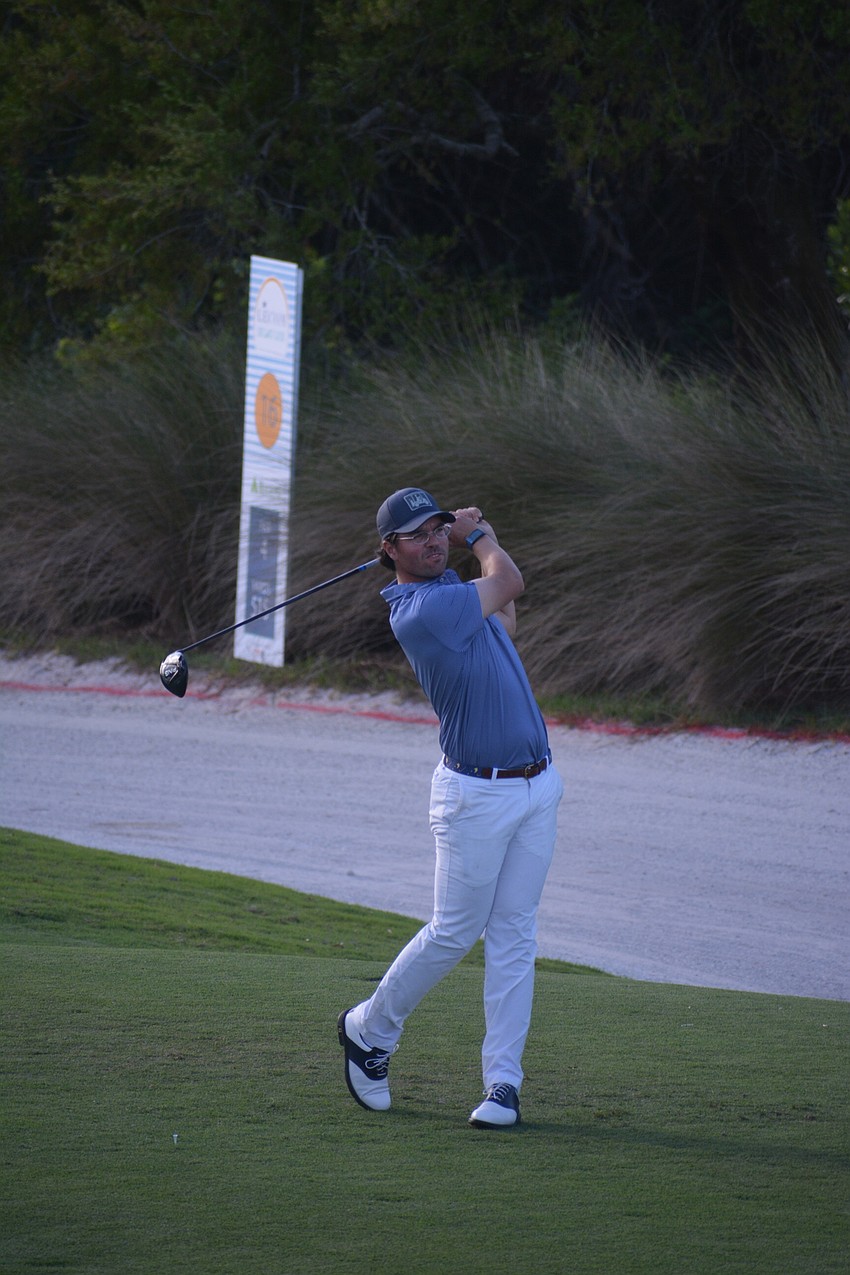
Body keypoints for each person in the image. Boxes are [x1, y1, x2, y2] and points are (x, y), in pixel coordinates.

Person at [337, 487, 563, 1129]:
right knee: (455, 931)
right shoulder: (420, 611)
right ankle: (369, 1028)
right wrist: (478, 533)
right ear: (390, 551)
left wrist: (471, 546)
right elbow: (511, 577)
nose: (434, 540)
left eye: (439, 528)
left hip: (536, 784)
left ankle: (503, 1086)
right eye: (418, 534)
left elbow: (507, 614)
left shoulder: (455, 597)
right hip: (474, 797)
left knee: (515, 933)